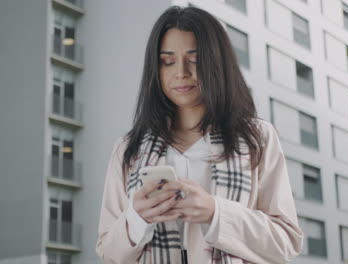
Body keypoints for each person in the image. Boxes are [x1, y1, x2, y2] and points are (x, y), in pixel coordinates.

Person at [96, 5, 303, 264]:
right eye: (167, 61)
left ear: (216, 63)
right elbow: (108, 253)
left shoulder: (257, 138)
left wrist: (215, 212)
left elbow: (285, 243)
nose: (181, 72)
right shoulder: (129, 149)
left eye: (194, 60)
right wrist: (137, 218)